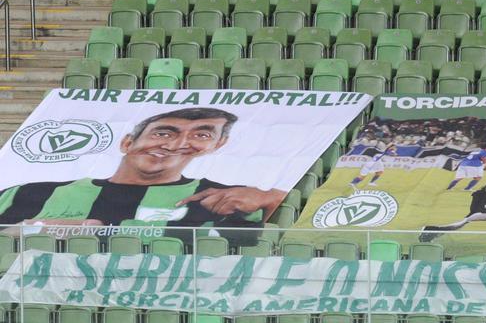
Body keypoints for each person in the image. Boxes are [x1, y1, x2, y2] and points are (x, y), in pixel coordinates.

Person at [0, 108, 285, 242]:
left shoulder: (224, 197)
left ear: (216, 146)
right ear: (127, 143)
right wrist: (31, 227)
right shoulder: (28, 192)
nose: (175, 144)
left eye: (200, 134)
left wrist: (271, 196)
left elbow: (251, 244)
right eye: (163, 133)